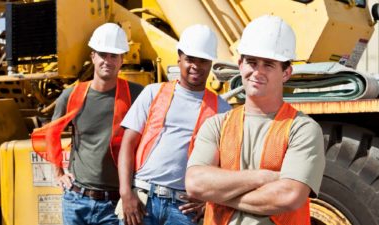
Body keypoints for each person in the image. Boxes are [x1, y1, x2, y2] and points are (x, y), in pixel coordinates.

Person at [185, 15, 326, 225]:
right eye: (251, 62)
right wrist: (262, 177)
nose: (257, 72)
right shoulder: (217, 125)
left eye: (268, 64)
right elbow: (196, 184)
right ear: (240, 65)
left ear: (286, 72)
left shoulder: (302, 129)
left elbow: (289, 195)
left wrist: (218, 193)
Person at [118, 24, 231, 225]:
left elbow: (229, 164)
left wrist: (211, 201)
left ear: (210, 63)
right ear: (179, 58)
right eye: (190, 59)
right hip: (142, 200)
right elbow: (127, 143)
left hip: (184, 208)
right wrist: (126, 193)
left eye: (203, 60)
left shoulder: (222, 109)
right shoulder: (153, 93)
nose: (195, 66)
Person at [31, 23, 143, 224]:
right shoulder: (72, 95)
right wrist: (58, 173)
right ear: (93, 57)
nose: (107, 61)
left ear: (122, 60)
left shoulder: (137, 94)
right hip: (76, 201)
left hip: (115, 203)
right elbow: (49, 134)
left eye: (113, 56)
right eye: (103, 54)